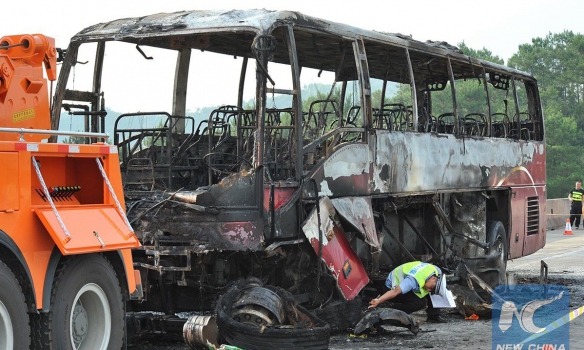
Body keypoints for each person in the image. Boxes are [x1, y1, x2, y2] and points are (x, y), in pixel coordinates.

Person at [369, 261, 446, 323]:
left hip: (408, 286)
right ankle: (391, 313)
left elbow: (437, 287)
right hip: (391, 288)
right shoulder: (412, 280)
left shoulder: (436, 271)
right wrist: (378, 301)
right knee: (419, 303)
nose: (429, 290)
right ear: (433, 279)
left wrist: (434, 289)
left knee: (435, 292)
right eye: (430, 288)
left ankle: (434, 315)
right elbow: (395, 291)